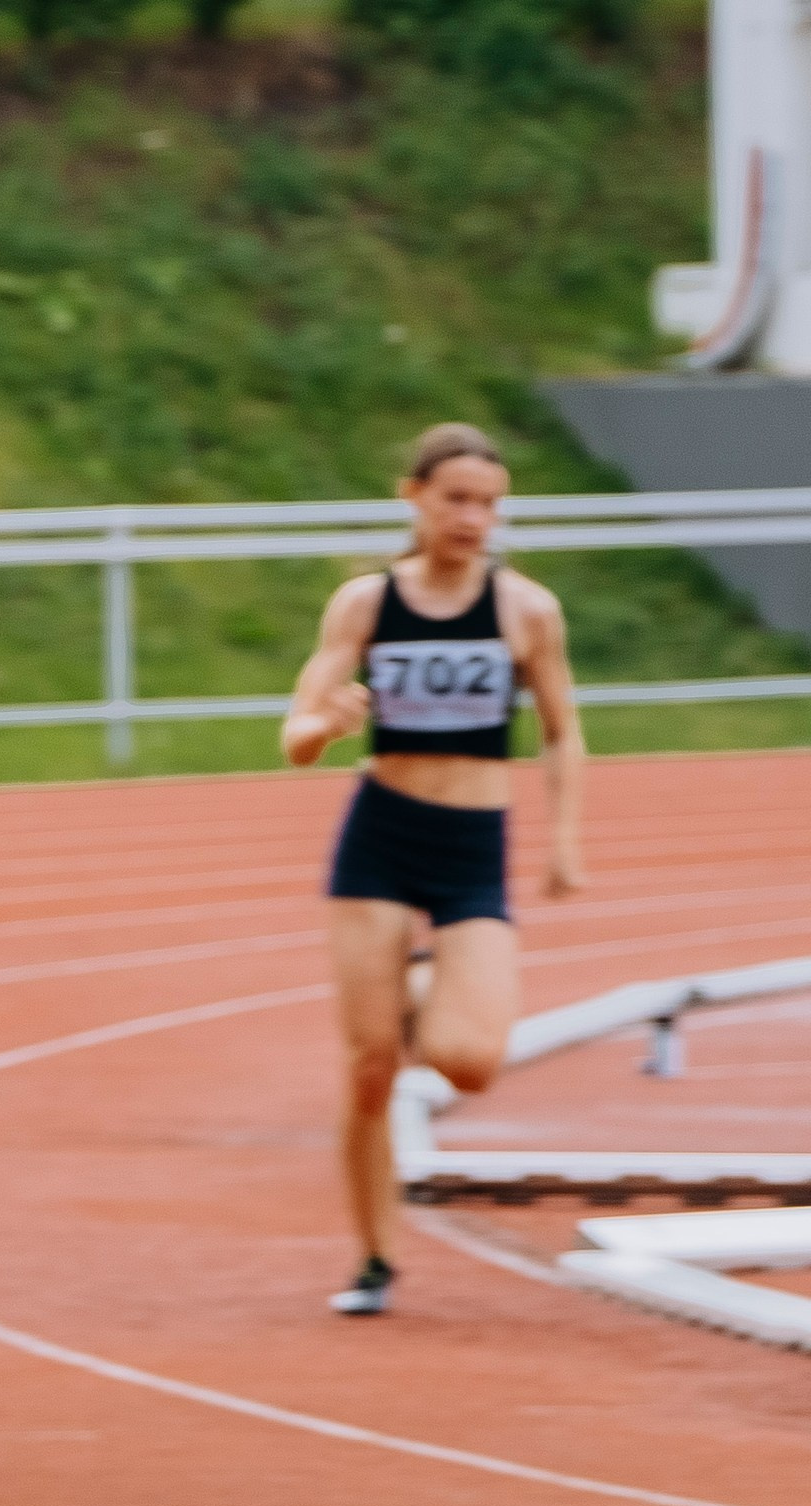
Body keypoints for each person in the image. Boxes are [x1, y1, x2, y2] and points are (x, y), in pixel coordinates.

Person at [282, 422, 585, 1318]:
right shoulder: (366, 605)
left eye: (488, 503)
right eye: (454, 498)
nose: (472, 517)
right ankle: (374, 1255)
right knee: (369, 1067)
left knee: (470, 1060)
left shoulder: (527, 610)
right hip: (381, 835)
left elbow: (563, 732)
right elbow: (295, 734)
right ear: (412, 496)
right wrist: (327, 724)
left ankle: (423, 993)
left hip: (472, 846)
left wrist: (565, 840)